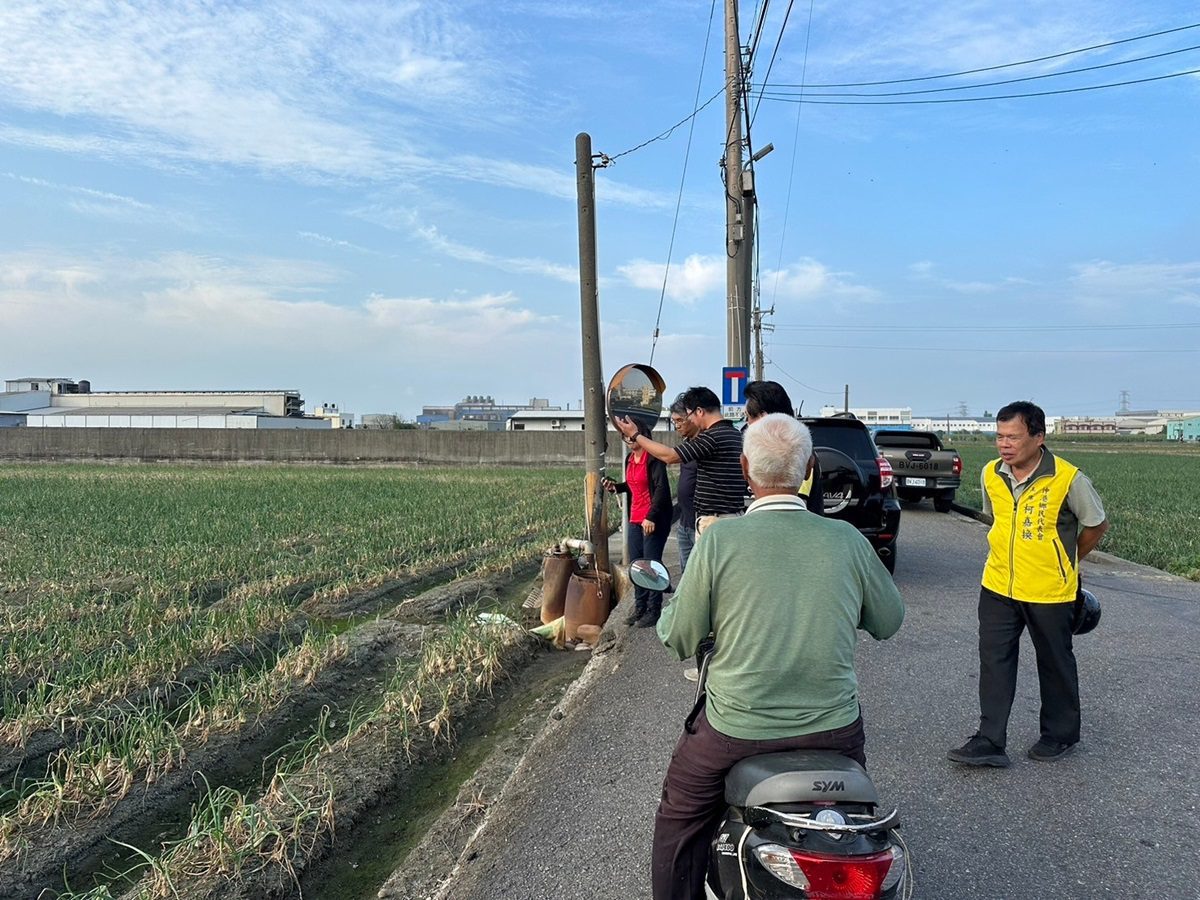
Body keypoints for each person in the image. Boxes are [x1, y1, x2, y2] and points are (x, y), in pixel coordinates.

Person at [651, 413, 905, 899]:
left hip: (737, 729)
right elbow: (889, 621)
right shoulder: (847, 540)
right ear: (809, 467)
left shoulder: (719, 541)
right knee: (854, 823)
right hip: (834, 728)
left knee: (679, 818)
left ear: (746, 469)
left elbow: (677, 638)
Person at [949, 400, 1109, 768]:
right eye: (999, 436)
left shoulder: (1069, 478)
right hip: (998, 585)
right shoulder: (991, 473)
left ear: (1039, 437)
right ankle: (989, 740)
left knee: (1054, 661)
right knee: (994, 661)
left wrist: (1066, 561)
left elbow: (1096, 524)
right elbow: (995, 519)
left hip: (1049, 589)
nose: (1004, 444)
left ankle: (1060, 734)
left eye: (1013, 437)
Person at [615, 386, 747, 532]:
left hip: (715, 521)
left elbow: (670, 456)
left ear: (699, 411)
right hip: (728, 516)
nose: (691, 421)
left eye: (689, 416)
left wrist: (636, 435)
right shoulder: (734, 433)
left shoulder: (711, 437)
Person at [604, 420, 672, 627]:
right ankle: (640, 607)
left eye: (632, 435)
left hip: (653, 519)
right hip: (634, 519)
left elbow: (661, 489)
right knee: (637, 566)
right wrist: (617, 487)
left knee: (651, 566)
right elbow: (634, 485)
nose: (629, 439)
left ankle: (654, 610)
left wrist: (651, 516)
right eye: (625, 436)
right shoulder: (629, 459)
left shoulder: (653, 459)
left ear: (642, 435)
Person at [743, 379, 824, 515]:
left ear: (763, 417)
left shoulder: (796, 452)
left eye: (748, 417)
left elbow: (795, 508)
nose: (747, 423)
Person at [667, 396, 699, 574]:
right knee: (685, 576)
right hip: (684, 523)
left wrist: (637, 435)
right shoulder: (687, 445)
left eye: (680, 420)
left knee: (700, 576)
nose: (677, 425)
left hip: (700, 524)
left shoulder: (704, 445)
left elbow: (668, 456)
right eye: (674, 422)